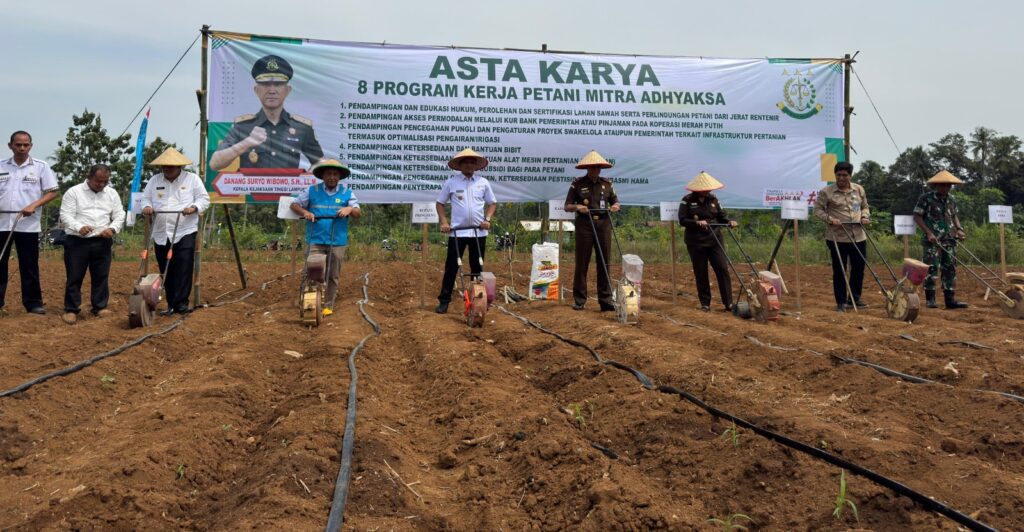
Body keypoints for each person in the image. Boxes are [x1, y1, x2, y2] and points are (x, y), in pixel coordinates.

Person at [209, 54, 323, 171]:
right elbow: (214, 164)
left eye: (278, 84)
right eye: (265, 84)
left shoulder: (301, 128)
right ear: (256, 90)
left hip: (288, 184)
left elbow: (320, 162)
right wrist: (246, 143)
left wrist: (306, 178)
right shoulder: (242, 126)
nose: (272, 90)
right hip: (251, 184)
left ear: (288, 90)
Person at [140, 148, 210, 315]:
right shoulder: (154, 180)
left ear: (179, 166)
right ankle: (171, 303)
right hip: (161, 232)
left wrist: (194, 207)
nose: (167, 169)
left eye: (171, 166)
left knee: (183, 266)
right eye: (164, 166)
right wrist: (147, 207)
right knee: (166, 268)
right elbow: (145, 198)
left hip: (184, 230)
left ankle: (181, 304)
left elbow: (204, 199)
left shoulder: (192, 179)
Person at [290, 159, 361, 315]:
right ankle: (309, 303)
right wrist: (305, 212)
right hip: (315, 239)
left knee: (332, 274)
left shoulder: (347, 193)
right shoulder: (312, 190)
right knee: (313, 272)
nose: (332, 177)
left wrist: (349, 209)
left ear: (339, 177)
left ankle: (328, 305)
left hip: (337, 241)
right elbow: (294, 205)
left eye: (335, 174)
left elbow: (358, 212)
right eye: (329, 174)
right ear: (323, 175)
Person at [0, 131, 60, 316]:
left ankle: (33, 303)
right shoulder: (1, 165)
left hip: (28, 225)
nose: (22, 148)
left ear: (31, 146)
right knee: (0, 263)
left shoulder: (41, 166)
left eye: (25, 145)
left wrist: (34, 205)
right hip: (2, 223)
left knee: (29, 265)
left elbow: (53, 191)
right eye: (18, 145)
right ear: (10, 146)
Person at [58, 164, 125, 324]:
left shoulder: (112, 193)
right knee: (74, 275)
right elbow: (65, 215)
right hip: (77, 241)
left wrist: (112, 228)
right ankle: (71, 309)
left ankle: (100, 307)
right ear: (89, 177)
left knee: (101, 275)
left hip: (102, 240)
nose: (102, 184)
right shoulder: (74, 192)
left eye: (105, 181)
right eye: (98, 181)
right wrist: (79, 227)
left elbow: (119, 214)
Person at [434, 148, 496, 314]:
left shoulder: (483, 182)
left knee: (477, 268)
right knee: (451, 267)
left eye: (472, 162)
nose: (469, 165)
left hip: (478, 233)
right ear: (460, 165)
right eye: (466, 162)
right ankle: (444, 301)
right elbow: (440, 203)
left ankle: (479, 301)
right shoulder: (451, 182)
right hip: (457, 233)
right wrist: (444, 222)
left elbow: (492, 203)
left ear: (476, 165)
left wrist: (487, 220)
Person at [564, 150, 621, 311]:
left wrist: (615, 206)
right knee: (582, 262)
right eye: (593, 167)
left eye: (598, 167)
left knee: (604, 262)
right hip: (585, 224)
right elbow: (567, 206)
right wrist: (578, 207)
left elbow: (616, 202)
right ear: (587, 168)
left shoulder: (607, 184)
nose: (596, 170)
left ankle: (605, 300)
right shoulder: (577, 184)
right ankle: (579, 300)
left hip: (604, 224)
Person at [813, 161, 871, 312]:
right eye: (838, 175)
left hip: (858, 236)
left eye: (845, 175)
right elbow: (817, 210)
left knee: (858, 268)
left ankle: (854, 298)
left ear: (850, 176)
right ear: (835, 175)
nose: (841, 178)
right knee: (840, 270)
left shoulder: (858, 189)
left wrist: (864, 216)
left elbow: (865, 207)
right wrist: (830, 219)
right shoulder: (827, 192)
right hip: (837, 237)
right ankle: (841, 301)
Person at [678, 171, 736, 312]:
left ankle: (728, 303)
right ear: (697, 189)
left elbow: (721, 215)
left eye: (708, 189)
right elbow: (682, 220)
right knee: (701, 271)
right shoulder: (687, 200)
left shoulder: (713, 199)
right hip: (696, 241)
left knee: (722, 268)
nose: (707, 191)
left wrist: (729, 222)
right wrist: (697, 223)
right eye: (704, 189)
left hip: (715, 239)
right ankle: (705, 303)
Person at [913, 170, 968, 309]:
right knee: (931, 268)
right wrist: (929, 233)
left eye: (948, 185)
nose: (946, 188)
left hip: (949, 239)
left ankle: (950, 300)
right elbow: (917, 217)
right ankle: (930, 299)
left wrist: (959, 229)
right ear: (936, 185)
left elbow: (954, 216)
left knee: (950, 268)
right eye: (943, 185)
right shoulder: (926, 198)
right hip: (932, 240)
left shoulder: (951, 199)